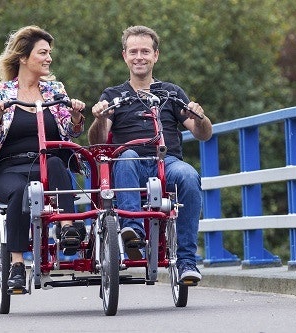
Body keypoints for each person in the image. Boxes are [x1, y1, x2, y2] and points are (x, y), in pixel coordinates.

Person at [88, 25, 212, 284]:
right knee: (126, 157)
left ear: (156, 55)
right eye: (133, 51)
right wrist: (100, 118)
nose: (139, 57)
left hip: (166, 161)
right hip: (129, 162)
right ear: (124, 56)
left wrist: (200, 117)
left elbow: (203, 134)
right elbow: (97, 141)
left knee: (189, 176)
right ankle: (132, 234)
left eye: (145, 51)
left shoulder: (171, 92)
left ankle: (188, 261)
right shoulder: (113, 96)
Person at [0, 26, 86, 290]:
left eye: (49, 53)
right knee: (20, 191)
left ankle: (67, 227)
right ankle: (16, 264)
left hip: (47, 163)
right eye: (43, 53)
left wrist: (75, 115)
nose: (49, 58)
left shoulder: (54, 90)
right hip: (11, 168)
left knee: (58, 164)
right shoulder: (1, 92)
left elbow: (70, 131)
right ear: (24, 57)